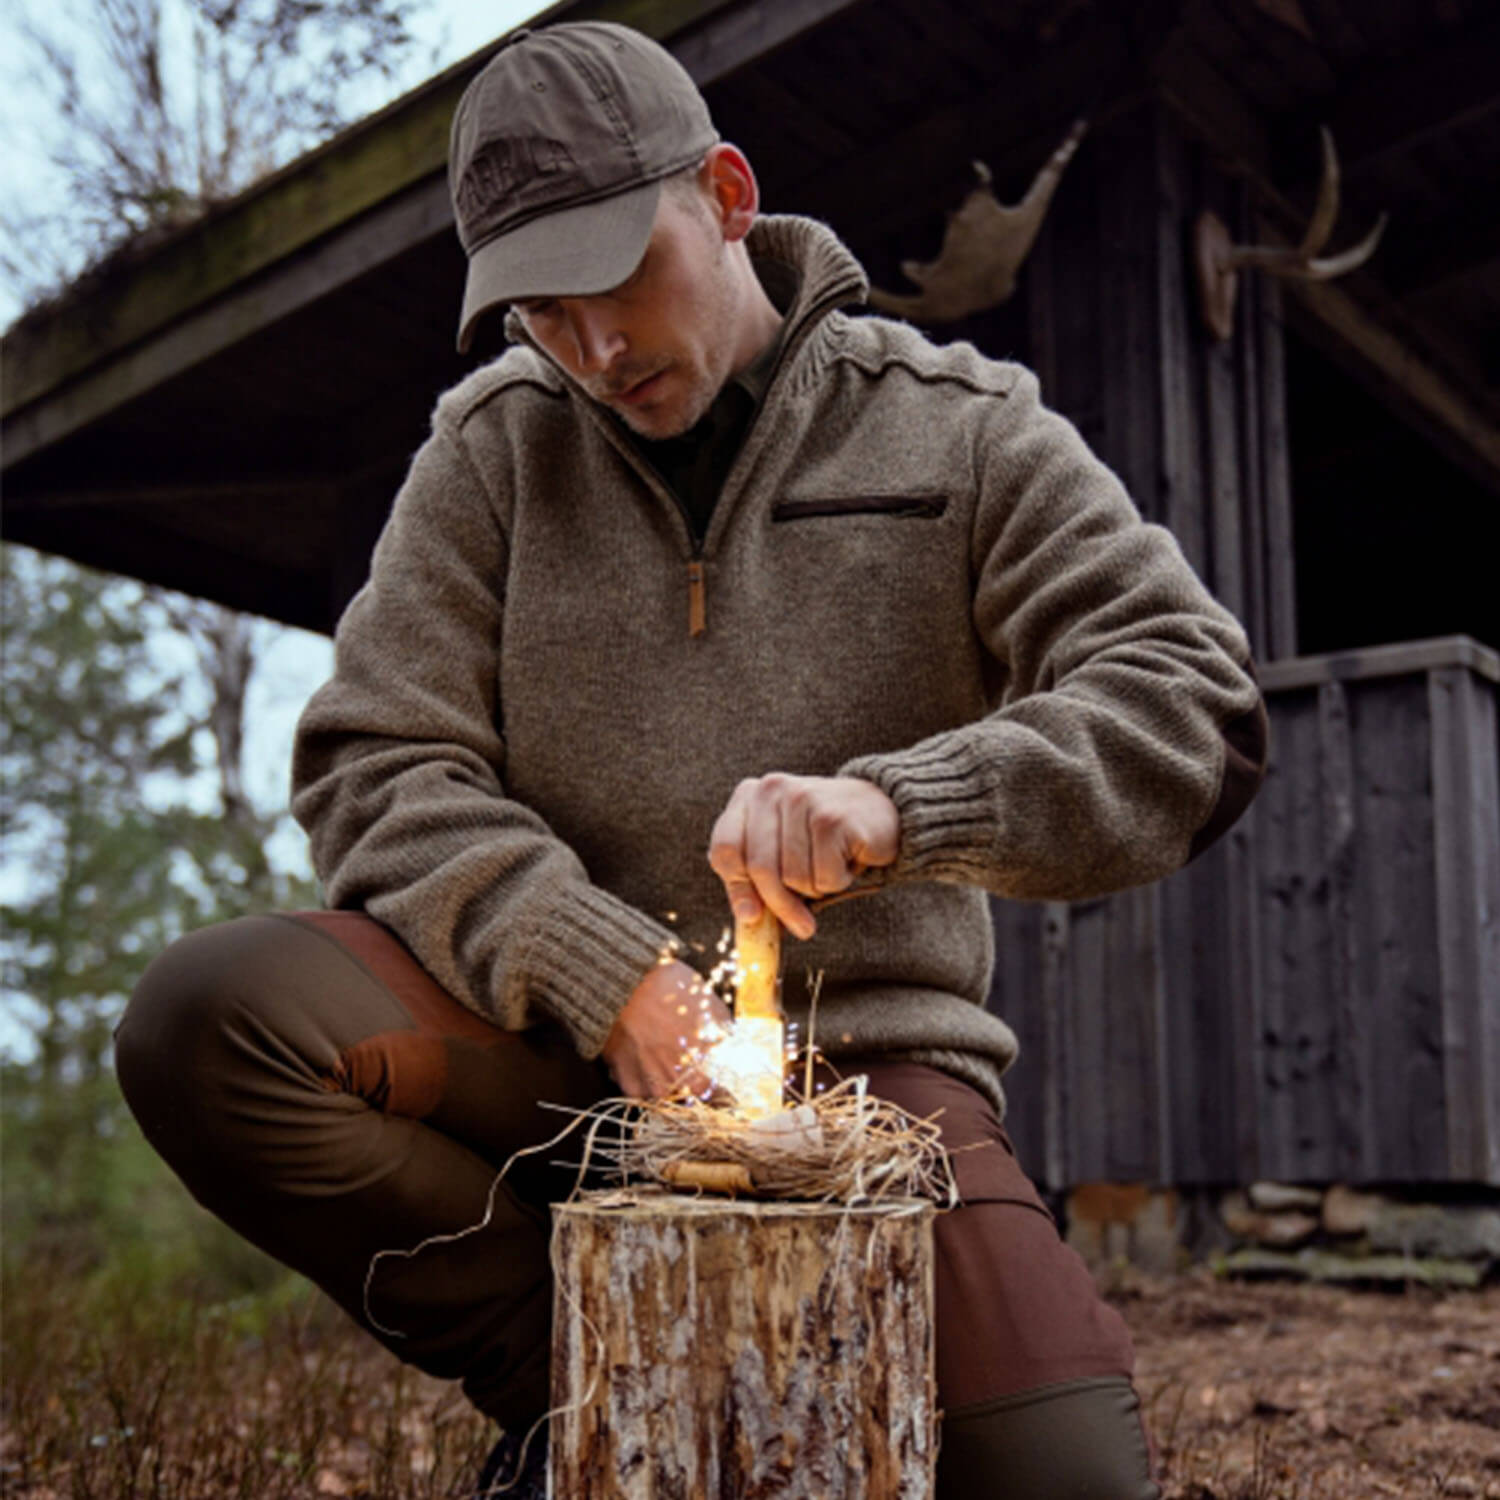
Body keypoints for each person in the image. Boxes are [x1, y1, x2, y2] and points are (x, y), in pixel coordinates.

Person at [117, 20, 1268, 1499]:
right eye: (540, 309)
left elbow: (1194, 704)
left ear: (725, 194)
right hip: (558, 1065)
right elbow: (374, 764)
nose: (593, 347)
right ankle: (594, 1385)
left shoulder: (960, 430)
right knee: (208, 1019)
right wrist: (601, 973)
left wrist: (897, 803)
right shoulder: (493, 450)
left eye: (616, 278)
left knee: (1066, 1478)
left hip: (869, 1087)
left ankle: (784, 1393)